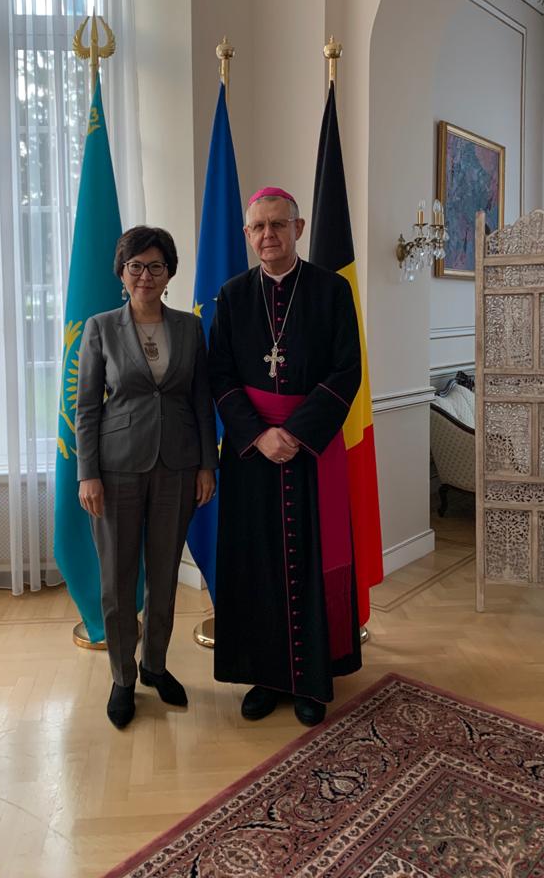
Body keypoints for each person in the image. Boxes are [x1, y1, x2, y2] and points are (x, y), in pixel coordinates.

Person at [208, 187, 362, 727]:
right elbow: (220, 375)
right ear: (248, 235)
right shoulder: (232, 295)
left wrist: (294, 434)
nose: (267, 235)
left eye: (278, 225)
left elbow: (347, 371)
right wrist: (258, 435)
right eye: (258, 228)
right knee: (255, 562)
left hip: (311, 448)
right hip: (252, 454)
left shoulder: (331, 290)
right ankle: (264, 675)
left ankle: (310, 681)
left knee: (311, 560)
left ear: (298, 228)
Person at [76, 226, 218, 729]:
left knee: (163, 576)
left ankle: (155, 665)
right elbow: (88, 406)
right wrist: (87, 473)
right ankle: (122, 677)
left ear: (168, 274)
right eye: (135, 266)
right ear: (122, 272)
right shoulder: (100, 328)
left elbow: (202, 400)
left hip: (178, 466)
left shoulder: (189, 328)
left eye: (155, 266)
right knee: (117, 579)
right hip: (115, 471)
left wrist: (207, 463)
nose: (145, 275)